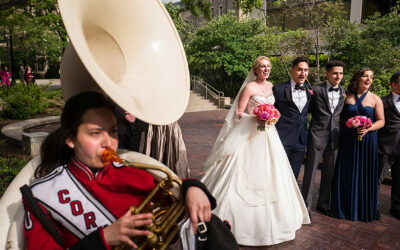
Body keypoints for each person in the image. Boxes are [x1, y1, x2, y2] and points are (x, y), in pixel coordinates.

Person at [21, 92, 215, 249]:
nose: (108, 143)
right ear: (70, 139)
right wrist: (104, 238)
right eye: (95, 133)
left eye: (113, 131)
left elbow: (173, 206)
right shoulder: (43, 195)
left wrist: (192, 188)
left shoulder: (132, 173)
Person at [201, 56, 310, 246]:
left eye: (268, 67)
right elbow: (238, 112)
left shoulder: (272, 87)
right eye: (262, 67)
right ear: (256, 69)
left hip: (269, 134)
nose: (266, 70)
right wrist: (256, 118)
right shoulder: (249, 87)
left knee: (272, 171)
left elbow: (278, 106)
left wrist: (273, 116)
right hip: (250, 133)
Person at [330, 68, 384, 222]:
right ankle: (344, 207)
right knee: (347, 172)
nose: (368, 79)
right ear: (358, 78)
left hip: (368, 141)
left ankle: (362, 210)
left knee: (365, 174)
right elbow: (338, 118)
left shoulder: (375, 99)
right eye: (365, 76)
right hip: (348, 141)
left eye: (371, 77)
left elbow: (381, 121)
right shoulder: (346, 97)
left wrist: (368, 128)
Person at [301, 60, 346, 215]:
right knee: (310, 171)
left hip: (335, 138)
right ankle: (305, 205)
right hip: (316, 135)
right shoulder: (315, 90)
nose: (338, 76)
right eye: (335, 73)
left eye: (340, 73)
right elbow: (306, 110)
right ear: (327, 74)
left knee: (330, 172)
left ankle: (323, 203)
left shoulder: (344, 92)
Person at [273, 57, 312, 180]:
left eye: (305, 70)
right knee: (278, 175)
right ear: (292, 70)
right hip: (282, 139)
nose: (303, 73)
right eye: (300, 69)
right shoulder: (278, 89)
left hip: (301, 141)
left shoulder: (310, 91)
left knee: (294, 176)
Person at [378, 71, 400, 220]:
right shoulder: (382, 102)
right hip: (385, 147)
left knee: (399, 181)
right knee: (377, 179)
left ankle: (396, 208)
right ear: (394, 84)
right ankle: (371, 206)